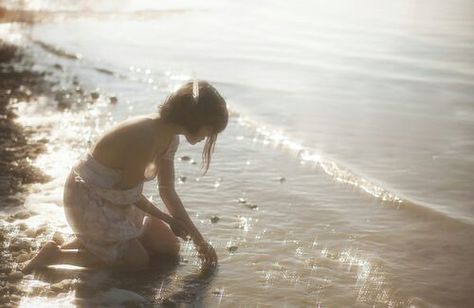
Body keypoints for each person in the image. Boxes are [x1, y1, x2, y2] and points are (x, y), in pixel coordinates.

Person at [22, 80, 228, 273]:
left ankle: (90, 243)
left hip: (118, 199)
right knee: (138, 263)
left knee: (168, 247)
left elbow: (167, 191)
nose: (207, 138)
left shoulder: (170, 137)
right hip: (87, 199)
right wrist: (168, 220)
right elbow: (128, 195)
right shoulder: (145, 136)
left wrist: (199, 241)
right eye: (210, 130)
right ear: (196, 119)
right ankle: (55, 256)